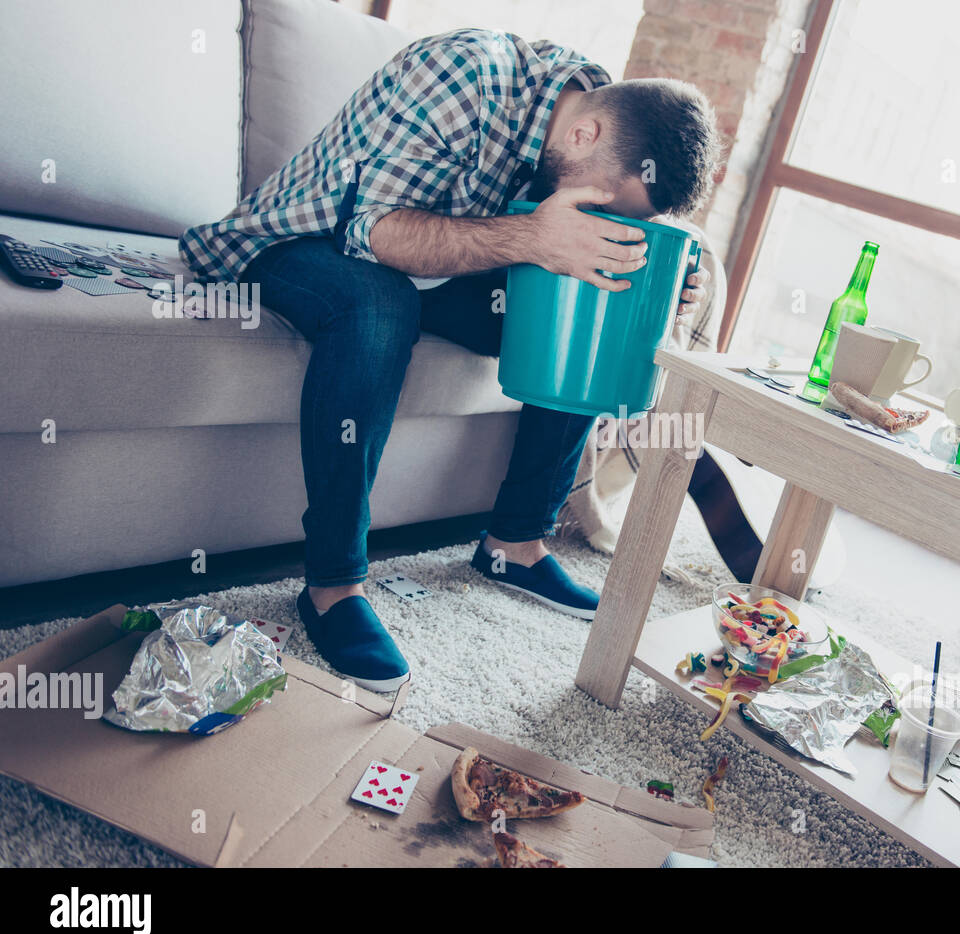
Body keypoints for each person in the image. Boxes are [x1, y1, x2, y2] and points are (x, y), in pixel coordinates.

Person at [180, 29, 722, 692]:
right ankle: (333, 585)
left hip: (434, 271)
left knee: (594, 291)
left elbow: (571, 258)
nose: (606, 215)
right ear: (585, 135)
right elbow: (372, 232)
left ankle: (515, 543)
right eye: (608, 205)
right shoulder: (463, 76)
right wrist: (535, 236)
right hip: (303, 242)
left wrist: (648, 281)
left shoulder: (595, 126)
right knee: (379, 305)